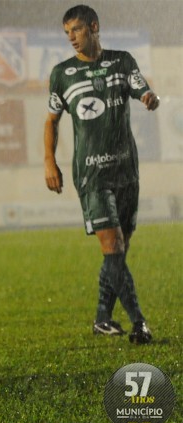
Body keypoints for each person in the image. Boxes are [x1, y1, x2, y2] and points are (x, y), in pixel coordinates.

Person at [44, 5, 159, 344]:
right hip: (92, 175)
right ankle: (139, 322)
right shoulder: (62, 73)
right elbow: (51, 121)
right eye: (67, 33)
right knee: (113, 247)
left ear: (93, 27)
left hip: (126, 172)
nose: (72, 39)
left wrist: (149, 98)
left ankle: (101, 318)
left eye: (76, 30)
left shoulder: (122, 61)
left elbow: (141, 88)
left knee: (119, 253)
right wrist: (49, 162)